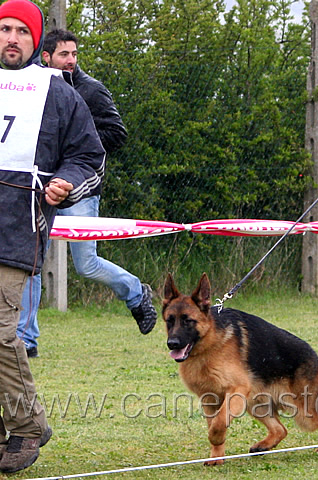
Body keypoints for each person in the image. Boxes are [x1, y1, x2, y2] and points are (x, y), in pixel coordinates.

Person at [0, 0, 105, 472]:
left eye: (22, 30)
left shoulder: (58, 94)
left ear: (36, 41)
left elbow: (90, 157)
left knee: (1, 334)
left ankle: (26, 426)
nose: (12, 38)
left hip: (19, 229)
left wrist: (66, 184)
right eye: (4, 29)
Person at [17, 29, 157, 359]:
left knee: (87, 264)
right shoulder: (32, 85)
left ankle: (136, 293)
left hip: (80, 188)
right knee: (32, 261)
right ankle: (27, 339)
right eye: (64, 54)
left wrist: (77, 146)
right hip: (40, 188)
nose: (71, 61)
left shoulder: (91, 91)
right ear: (46, 56)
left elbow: (116, 134)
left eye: (75, 54)